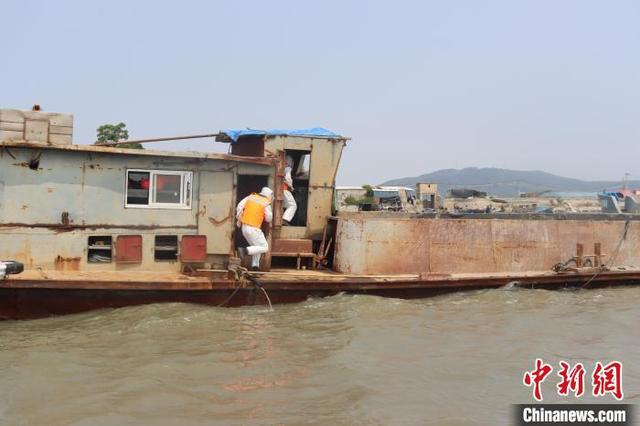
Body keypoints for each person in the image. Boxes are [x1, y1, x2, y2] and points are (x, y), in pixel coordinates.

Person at [236, 187, 273, 270]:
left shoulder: (250, 197)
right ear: (269, 195)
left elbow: (239, 206)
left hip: (244, 227)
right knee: (264, 247)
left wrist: (240, 218)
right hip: (254, 228)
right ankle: (244, 250)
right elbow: (268, 219)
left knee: (257, 247)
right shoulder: (266, 203)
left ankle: (255, 266)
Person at [283, 155, 297, 225]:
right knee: (293, 205)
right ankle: (285, 219)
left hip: (280, 190)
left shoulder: (282, 167)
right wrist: (291, 187)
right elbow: (288, 178)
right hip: (284, 189)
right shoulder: (288, 168)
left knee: (285, 205)